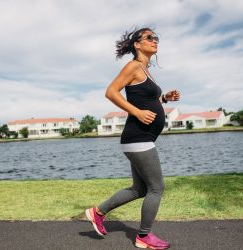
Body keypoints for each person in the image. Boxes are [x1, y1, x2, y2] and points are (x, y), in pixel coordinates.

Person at [85, 27, 180, 249]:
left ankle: (97, 212)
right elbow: (111, 92)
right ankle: (144, 236)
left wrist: (164, 98)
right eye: (149, 38)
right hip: (138, 136)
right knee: (157, 187)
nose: (154, 41)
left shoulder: (146, 71)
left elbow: (147, 99)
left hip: (141, 138)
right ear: (137, 44)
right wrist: (136, 112)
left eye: (156, 38)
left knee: (140, 189)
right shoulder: (133, 66)